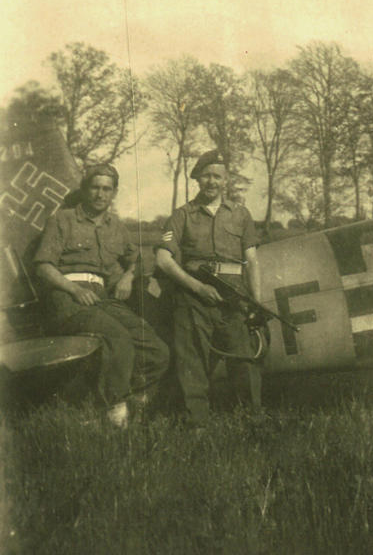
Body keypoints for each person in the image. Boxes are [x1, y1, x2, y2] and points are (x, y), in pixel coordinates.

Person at [33, 163, 169, 427]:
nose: (100, 194)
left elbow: (139, 260)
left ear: (114, 193)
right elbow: (43, 266)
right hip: (66, 297)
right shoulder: (63, 219)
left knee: (156, 349)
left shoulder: (115, 226)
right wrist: (73, 289)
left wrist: (128, 277)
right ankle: (113, 413)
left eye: (107, 189)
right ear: (85, 189)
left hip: (102, 298)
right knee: (117, 337)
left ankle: (131, 404)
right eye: (95, 187)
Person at [155, 150, 262, 426]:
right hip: (193, 295)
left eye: (217, 176)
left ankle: (252, 421)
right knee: (192, 361)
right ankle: (197, 425)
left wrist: (256, 303)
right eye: (206, 176)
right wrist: (197, 288)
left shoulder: (241, 215)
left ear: (226, 180)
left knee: (243, 358)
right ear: (197, 179)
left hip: (233, 296)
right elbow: (163, 260)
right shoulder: (182, 216)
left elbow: (251, 261)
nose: (211, 182)